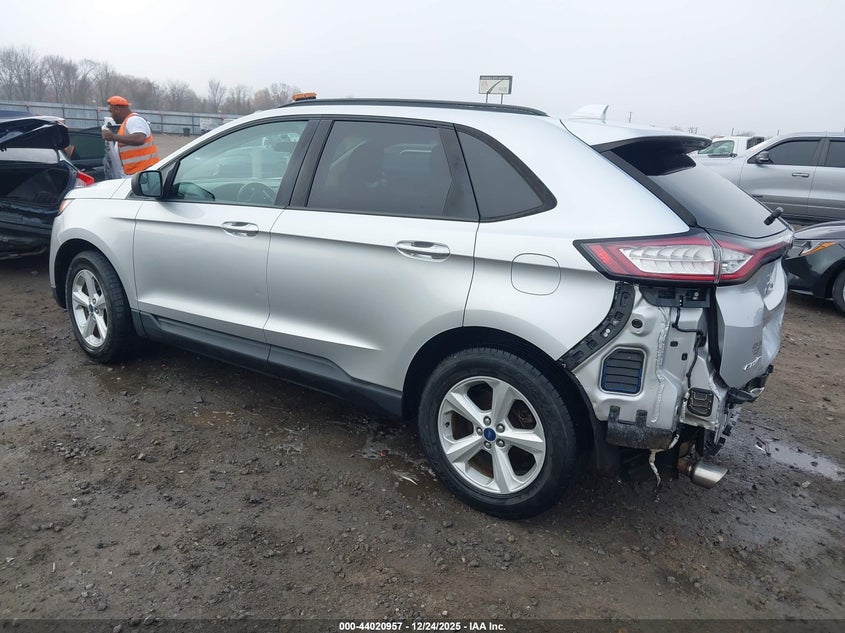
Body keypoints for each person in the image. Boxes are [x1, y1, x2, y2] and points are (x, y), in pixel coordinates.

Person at [101, 95, 159, 178]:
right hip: (137, 174)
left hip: (143, 175)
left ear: (117, 109)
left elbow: (139, 138)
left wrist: (113, 137)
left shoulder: (134, 120)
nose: (111, 116)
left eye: (111, 112)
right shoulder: (127, 123)